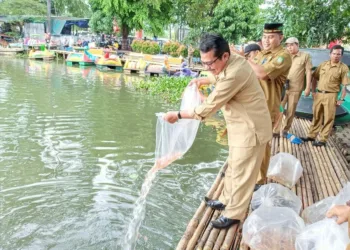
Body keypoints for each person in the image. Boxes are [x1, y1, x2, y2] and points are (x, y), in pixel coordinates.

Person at [163, 33, 272, 229]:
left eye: (210, 63)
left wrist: (177, 115)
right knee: (233, 166)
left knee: (242, 173)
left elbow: (208, 108)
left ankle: (234, 214)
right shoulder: (232, 60)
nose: (207, 68)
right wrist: (203, 80)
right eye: (203, 63)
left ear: (224, 56)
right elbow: (217, 75)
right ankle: (225, 199)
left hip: (251, 128)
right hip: (239, 125)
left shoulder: (234, 73)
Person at [246, 23, 292, 190]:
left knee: (263, 144)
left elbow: (262, 74)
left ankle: (259, 180)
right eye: (264, 37)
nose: (266, 40)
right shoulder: (260, 54)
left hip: (267, 106)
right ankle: (250, 173)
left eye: (271, 37)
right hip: (253, 104)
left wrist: (245, 58)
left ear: (281, 37)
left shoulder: (283, 56)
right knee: (251, 141)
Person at [301, 45, 349, 147]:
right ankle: (311, 136)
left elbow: (345, 86)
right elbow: (315, 78)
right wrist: (313, 91)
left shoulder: (343, 68)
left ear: (341, 55)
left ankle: (323, 140)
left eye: (338, 54)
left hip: (331, 95)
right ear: (330, 54)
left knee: (328, 118)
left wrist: (341, 99)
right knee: (316, 115)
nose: (336, 56)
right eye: (334, 53)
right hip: (319, 94)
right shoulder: (323, 65)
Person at [274, 37, 312, 138]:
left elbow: (308, 72)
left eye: (291, 45)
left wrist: (308, 87)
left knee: (291, 111)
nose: (289, 47)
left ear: (297, 45)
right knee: (279, 108)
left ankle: (285, 130)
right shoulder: (284, 56)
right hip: (283, 88)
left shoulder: (305, 56)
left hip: (295, 89)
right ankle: (276, 130)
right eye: (287, 45)